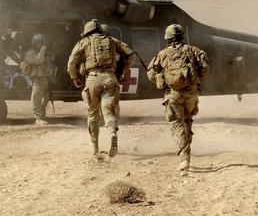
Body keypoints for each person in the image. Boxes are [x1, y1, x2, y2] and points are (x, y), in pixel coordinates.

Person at [147, 24, 209, 174]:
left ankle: (184, 159)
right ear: (182, 36)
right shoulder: (195, 50)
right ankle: (187, 154)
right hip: (191, 94)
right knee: (187, 122)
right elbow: (205, 69)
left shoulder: (162, 54)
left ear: (167, 38)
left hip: (173, 94)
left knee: (176, 125)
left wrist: (161, 79)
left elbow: (150, 74)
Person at [67, 19, 135, 157]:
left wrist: (75, 78)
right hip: (110, 78)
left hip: (92, 79)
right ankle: (112, 134)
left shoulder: (83, 42)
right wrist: (121, 71)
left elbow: (71, 63)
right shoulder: (112, 41)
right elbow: (131, 55)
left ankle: (94, 147)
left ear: (87, 32)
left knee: (93, 113)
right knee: (108, 110)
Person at [22, 33, 57, 125]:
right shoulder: (29, 53)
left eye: (42, 43)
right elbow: (38, 60)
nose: (41, 44)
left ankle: (42, 114)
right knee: (36, 98)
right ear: (34, 43)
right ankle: (38, 118)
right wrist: (42, 50)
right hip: (37, 80)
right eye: (39, 43)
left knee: (46, 98)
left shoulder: (45, 53)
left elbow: (52, 58)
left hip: (46, 79)